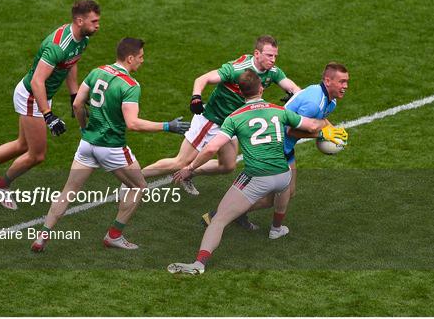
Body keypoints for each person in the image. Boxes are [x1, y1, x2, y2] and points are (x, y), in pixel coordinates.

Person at [167, 70, 346, 274]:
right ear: (261, 89)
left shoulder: (234, 118)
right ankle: (276, 229)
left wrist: (190, 168)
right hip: (283, 175)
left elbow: (210, 149)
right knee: (282, 192)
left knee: (218, 220)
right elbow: (312, 123)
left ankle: (199, 264)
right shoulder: (279, 110)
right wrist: (325, 131)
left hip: (257, 177)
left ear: (241, 93)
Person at [31, 37, 190, 252]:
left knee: (68, 190)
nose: (142, 61)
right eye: (141, 57)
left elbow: (78, 104)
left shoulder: (98, 72)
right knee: (140, 186)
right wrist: (167, 126)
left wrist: (83, 128)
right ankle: (114, 235)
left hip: (87, 144)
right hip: (112, 148)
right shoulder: (131, 85)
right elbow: (133, 124)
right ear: (130, 58)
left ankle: (42, 236)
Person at [142, 35, 301, 229]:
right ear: (257, 54)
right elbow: (204, 78)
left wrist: (296, 97)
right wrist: (196, 97)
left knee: (227, 166)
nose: (273, 60)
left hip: (231, 125)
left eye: (275, 56)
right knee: (180, 161)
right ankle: (134, 178)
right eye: (269, 55)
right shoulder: (236, 69)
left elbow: (292, 86)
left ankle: (189, 174)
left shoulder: (272, 72)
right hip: (212, 121)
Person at [0, 0, 101, 210]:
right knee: (37, 154)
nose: (98, 25)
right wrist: (49, 115)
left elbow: (72, 63)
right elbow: (37, 81)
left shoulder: (82, 38)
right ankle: (1, 185)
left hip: (41, 95)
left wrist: (74, 94)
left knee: (21, 145)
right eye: (94, 21)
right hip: (32, 97)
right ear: (80, 21)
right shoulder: (57, 46)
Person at [201, 63, 350, 238]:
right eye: (342, 82)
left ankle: (236, 214)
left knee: (286, 193)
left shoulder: (329, 100)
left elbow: (320, 120)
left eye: (347, 82)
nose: (345, 86)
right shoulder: (313, 102)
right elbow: (290, 130)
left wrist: (332, 130)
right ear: (328, 80)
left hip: (285, 148)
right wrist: (320, 135)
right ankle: (265, 226)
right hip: (275, 150)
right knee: (279, 194)